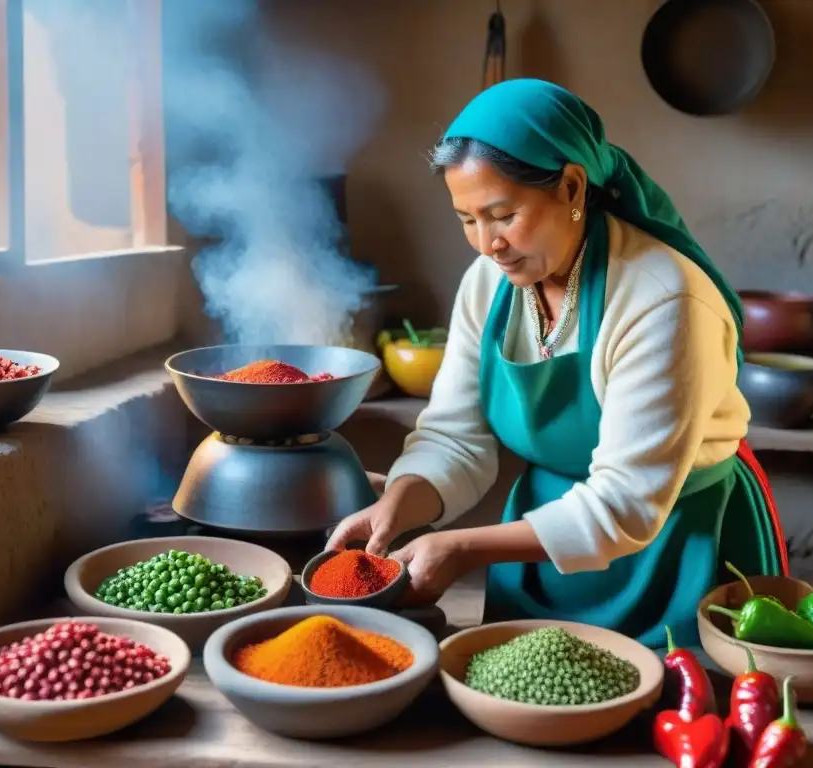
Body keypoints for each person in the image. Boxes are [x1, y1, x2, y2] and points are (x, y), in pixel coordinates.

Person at [327, 79, 788, 649]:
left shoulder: (661, 298)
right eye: (467, 219)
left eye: (502, 214)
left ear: (571, 185)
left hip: (673, 542)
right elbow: (455, 438)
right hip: (543, 540)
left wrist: (463, 546)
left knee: (665, 712)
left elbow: (626, 503)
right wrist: (398, 503)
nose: (486, 244)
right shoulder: (489, 286)